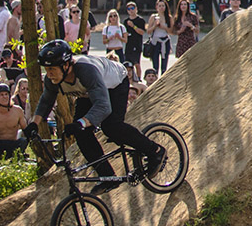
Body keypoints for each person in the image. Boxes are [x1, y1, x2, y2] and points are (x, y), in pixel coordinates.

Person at [27, 40, 165, 195]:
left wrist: (82, 122)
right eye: (47, 69)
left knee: (111, 126)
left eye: (52, 68)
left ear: (65, 65)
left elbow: (103, 106)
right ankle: (107, 176)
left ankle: (155, 151)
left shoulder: (86, 71)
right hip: (89, 92)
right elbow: (46, 101)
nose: (49, 73)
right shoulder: (52, 79)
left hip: (115, 84)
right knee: (81, 133)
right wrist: (34, 124)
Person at [146, 0, 173, 75]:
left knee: (164, 65)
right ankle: (155, 77)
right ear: (157, 7)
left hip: (165, 41)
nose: (161, 7)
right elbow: (148, 31)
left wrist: (164, 27)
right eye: (160, 6)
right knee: (155, 65)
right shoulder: (154, 17)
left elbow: (172, 31)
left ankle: (163, 77)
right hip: (156, 41)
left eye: (163, 6)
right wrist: (155, 26)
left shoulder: (169, 17)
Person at [123, 2, 147, 79]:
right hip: (128, 45)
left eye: (132, 8)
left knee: (137, 63)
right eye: (129, 9)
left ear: (136, 9)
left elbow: (142, 32)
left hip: (137, 44)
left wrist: (133, 26)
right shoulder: (126, 21)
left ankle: (138, 78)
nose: (131, 10)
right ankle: (128, 78)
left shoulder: (140, 20)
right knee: (127, 64)